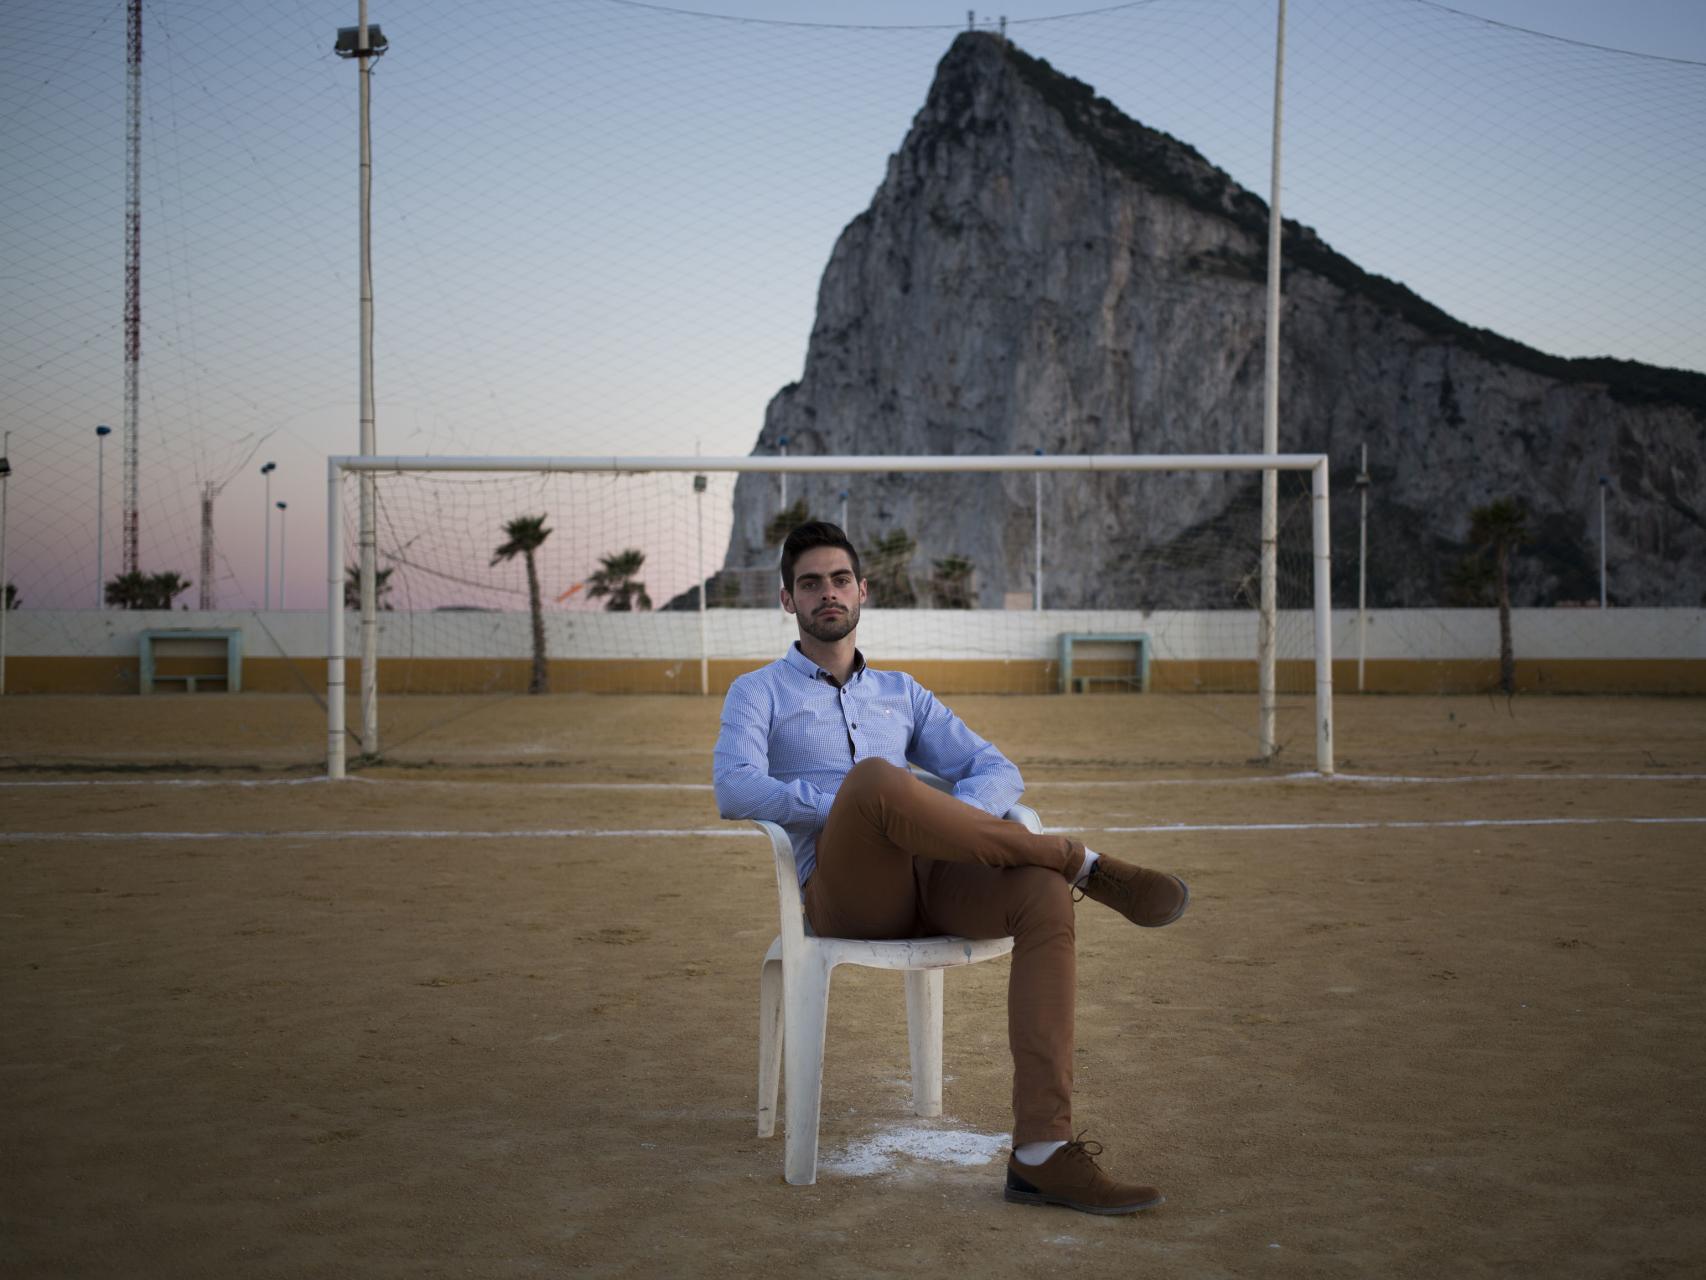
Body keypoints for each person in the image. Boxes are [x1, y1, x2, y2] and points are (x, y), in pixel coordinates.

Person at [713, 520, 1189, 1215]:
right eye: (809, 583)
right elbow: (736, 789)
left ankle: (1041, 1154)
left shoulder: (902, 693)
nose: (827, 593)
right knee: (875, 779)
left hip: (933, 875)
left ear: (862, 591)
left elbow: (996, 767)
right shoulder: (759, 693)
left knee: (1041, 897)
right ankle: (1077, 858)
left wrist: (952, 824)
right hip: (848, 895)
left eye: (839, 579)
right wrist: (845, 802)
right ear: (787, 600)